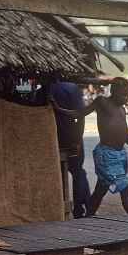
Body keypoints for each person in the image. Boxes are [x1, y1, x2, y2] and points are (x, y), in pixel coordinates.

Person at [60, 77, 128, 218]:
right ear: (113, 91)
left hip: (120, 155)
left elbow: (126, 135)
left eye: (127, 95)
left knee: (100, 189)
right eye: (123, 95)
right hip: (106, 154)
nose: (126, 98)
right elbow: (80, 113)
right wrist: (60, 110)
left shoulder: (122, 110)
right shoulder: (102, 102)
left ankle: (87, 217)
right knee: (126, 188)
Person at [49, 80, 91, 218]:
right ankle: (80, 209)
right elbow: (81, 115)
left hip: (54, 138)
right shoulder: (71, 88)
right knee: (78, 172)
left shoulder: (44, 90)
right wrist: (77, 139)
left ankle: (64, 208)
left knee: (62, 174)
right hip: (72, 136)